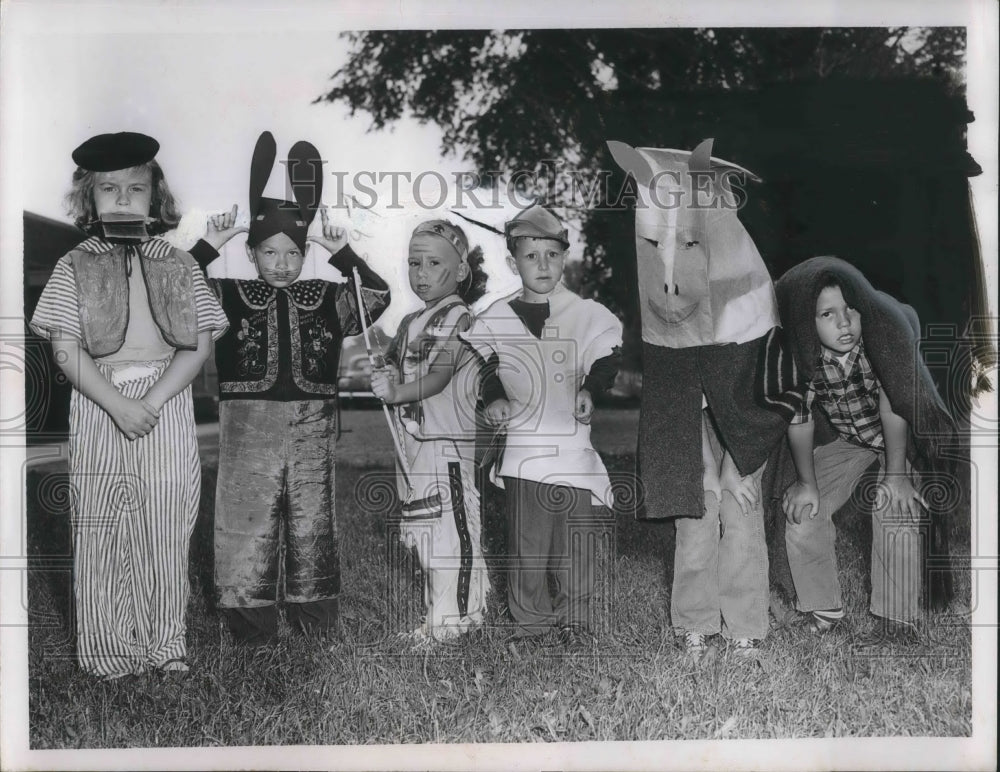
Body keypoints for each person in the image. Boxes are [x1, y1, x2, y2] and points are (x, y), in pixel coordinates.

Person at [29, 132, 229, 678]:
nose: (122, 199)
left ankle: (165, 644)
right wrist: (118, 403)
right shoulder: (74, 264)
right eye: (108, 189)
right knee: (101, 522)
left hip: (167, 398)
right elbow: (65, 348)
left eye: (135, 189)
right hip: (99, 397)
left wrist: (154, 400)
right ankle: (108, 652)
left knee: (167, 519)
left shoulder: (180, 263)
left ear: (154, 198)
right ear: (88, 199)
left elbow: (198, 346)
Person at [187, 132, 390, 645]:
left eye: (293, 253)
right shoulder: (226, 294)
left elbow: (376, 295)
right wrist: (209, 245)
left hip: (312, 425)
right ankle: (249, 625)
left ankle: (314, 618)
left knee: (312, 519)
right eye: (269, 252)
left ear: (305, 254)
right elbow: (173, 291)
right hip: (247, 425)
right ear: (251, 253)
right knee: (245, 517)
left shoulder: (327, 295)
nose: (281, 263)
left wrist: (344, 254)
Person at [776, 256, 957, 644]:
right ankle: (823, 609)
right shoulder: (803, 359)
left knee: (895, 503)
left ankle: (896, 619)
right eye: (827, 314)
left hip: (895, 437)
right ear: (806, 323)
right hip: (849, 440)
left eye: (850, 309)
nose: (844, 323)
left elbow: (894, 406)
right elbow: (800, 420)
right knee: (804, 509)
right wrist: (807, 483)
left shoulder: (877, 344)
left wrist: (896, 475)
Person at [462, 205, 622, 646]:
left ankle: (576, 621)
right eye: (531, 256)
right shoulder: (496, 316)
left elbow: (606, 357)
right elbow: (485, 366)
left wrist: (591, 388)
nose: (543, 265)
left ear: (565, 257)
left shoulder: (584, 312)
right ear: (513, 262)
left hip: (572, 447)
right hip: (524, 448)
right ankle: (530, 623)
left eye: (552, 254)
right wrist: (494, 396)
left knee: (576, 544)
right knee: (527, 545)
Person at [369, 219, 491, 645]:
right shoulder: (411, 321)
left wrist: (396, 391)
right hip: (413, 441)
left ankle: (455, 620)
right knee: (423, 532)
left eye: (434, 263)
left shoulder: (461, 317)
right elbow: (395, 362)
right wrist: (386, 371)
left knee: (449, 533)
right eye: (413, 263)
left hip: (446, 445)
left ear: (461, 270)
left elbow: (439, 376)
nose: (420, 273)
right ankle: (441, 616)